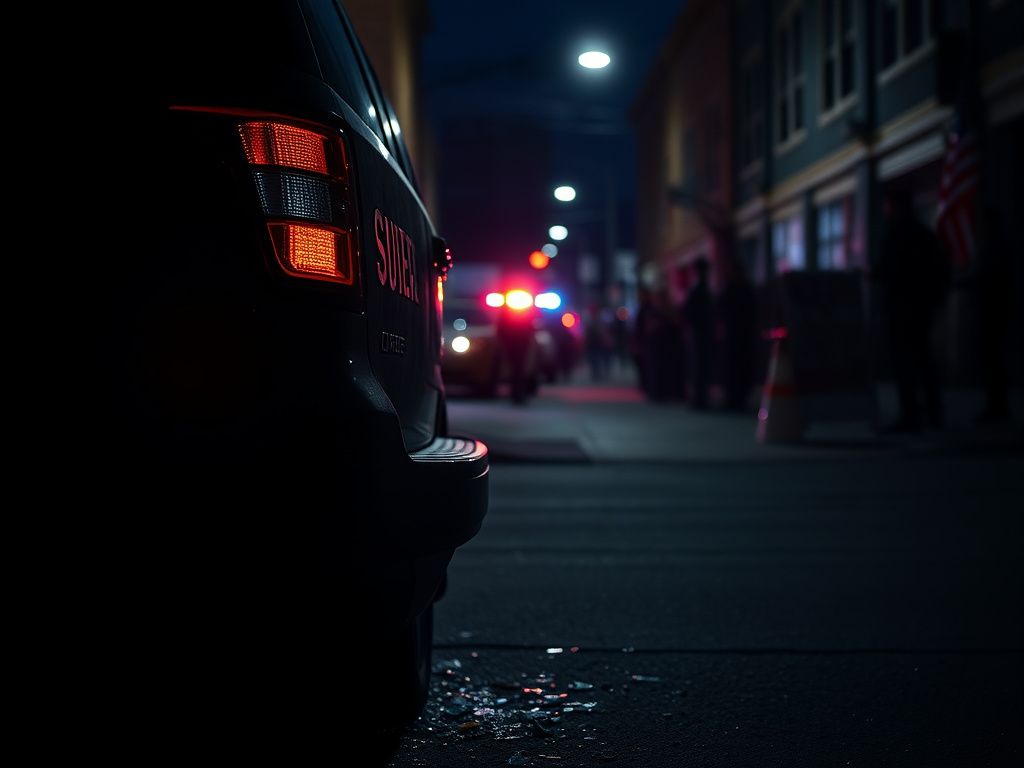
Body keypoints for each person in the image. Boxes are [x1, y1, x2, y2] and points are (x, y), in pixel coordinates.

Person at [876, 189, 950, 431]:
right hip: (922, 309)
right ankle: (933, 411)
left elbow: (885, 270)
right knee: (924, 359)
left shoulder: (897, 235)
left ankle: (910, 415)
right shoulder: (925, 235)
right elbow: (940, 270)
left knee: (905, 363)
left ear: (896, 207)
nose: (885, 211)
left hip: (902, 309)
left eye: (887, 206)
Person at [720, 262, 757, 411]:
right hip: (739, 336)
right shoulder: (742, 289)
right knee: (737, 368)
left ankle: (737, 397)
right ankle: (737, 397)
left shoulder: (734, 289)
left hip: (738, 336)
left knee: (737, 368)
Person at [682, 257, 713, 409]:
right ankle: (700, 398)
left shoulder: (699, 289)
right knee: (700, 366)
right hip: (700, 333)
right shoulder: (701, 290)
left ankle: (700, 398)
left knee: (700, 366)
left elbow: (687, 312)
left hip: (699, 333)